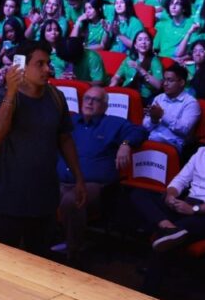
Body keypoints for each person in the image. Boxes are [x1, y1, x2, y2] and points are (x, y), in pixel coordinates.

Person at [0, 41, 86, 254]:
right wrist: (11, 94)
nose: (48, 69)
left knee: (40, 262)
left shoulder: (56, 97)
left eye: (48, 63)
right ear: (21, 67)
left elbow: (65, 139)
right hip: (8, 199)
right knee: (1, 262)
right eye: (40, 64)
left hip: (45, 199)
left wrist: (78, 178)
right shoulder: (2, 96)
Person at [137, 112, 205, 295]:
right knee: (140, 195)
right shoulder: (200, 152)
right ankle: (168, 227)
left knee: (170, 238)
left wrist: (195, 209)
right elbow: (181, 179)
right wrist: (171, 195)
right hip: (187, 204)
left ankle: (148, 292)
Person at [58, 85, 146, 265]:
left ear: (105, 106)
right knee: (31, 186)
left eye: (95, 99)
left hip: (94, 186)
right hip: (60, 181)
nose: (89, 102)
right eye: (87, 98)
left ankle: (72, 253)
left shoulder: (114, 123)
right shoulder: (71, 121)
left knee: (72, 200)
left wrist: (126, 144)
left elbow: (140, 131)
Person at [144, 64, 200, 149]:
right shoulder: (159, 98)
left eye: (170, 80)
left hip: (173, 145)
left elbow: (184, 129)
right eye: (164, 80)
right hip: (151, 140)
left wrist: (162, 115)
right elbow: (145, 126)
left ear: (181, 82)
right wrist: (154, 120)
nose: (165, 84)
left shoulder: (191, 103)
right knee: (130, 137)